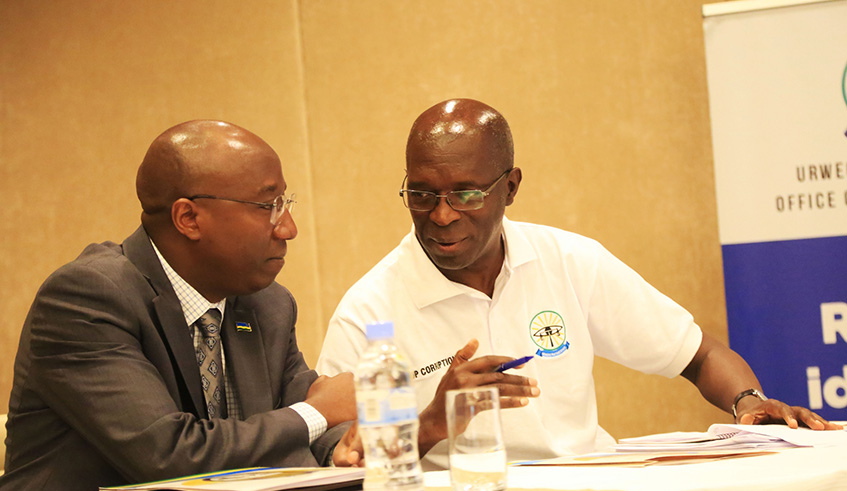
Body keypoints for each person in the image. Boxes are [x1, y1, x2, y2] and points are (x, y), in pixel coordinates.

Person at [317, 98, 842, 470]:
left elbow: (698, 355)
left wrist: (748, 402)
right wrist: (434, 420)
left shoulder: (569, 261)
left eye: (467, 194)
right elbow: (340, 458)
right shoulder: (369, 308)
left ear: (512, 187)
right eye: (422, 193)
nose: (443, 215)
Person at [1, 121, 361, 490]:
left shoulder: (267, 305)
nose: (288, 228)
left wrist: (341, 448)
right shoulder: (87, 299)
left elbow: (301, 421)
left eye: (285, 203)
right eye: (268, 206)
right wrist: (318, 413)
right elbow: (171, 458)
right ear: (188, 218)